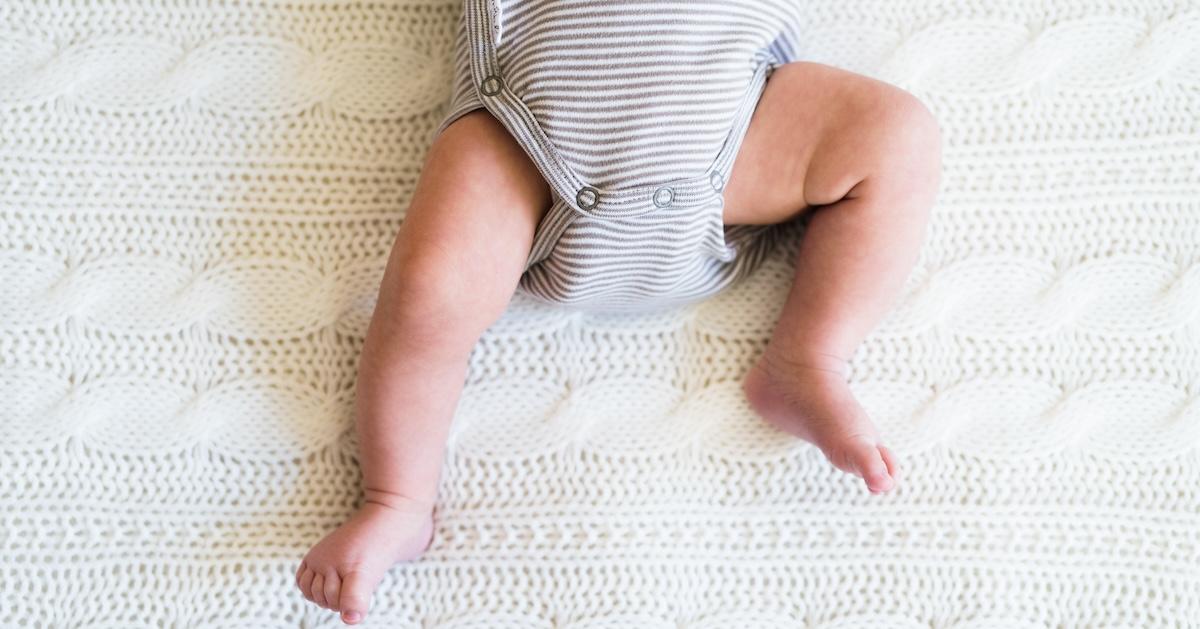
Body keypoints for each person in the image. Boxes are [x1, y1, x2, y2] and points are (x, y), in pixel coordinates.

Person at [296, 1, 942, 624]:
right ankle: (399, 498)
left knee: (897, 134)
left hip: (735, 132)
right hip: (526, 140)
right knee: (428, 295)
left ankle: (809, 357)